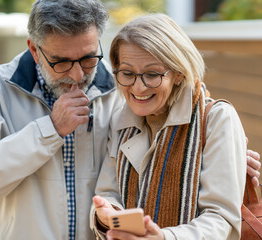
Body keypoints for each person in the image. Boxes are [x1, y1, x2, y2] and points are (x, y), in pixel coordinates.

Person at [0, 0, 260, 239]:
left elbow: (158, 151)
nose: (77, 74)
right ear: (34, 49)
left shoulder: (121, 90)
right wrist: (49, 130)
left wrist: (218, 159)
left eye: (88, 58)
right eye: (61, 62)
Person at [91, 13, 250, 240]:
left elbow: (221, 218)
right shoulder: (120, 121)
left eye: (152, 74)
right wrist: (108, 215)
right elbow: (108, 193)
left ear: (178, 73)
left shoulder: (217, 119)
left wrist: (165, 238)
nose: (138, 87)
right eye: (127, 73)